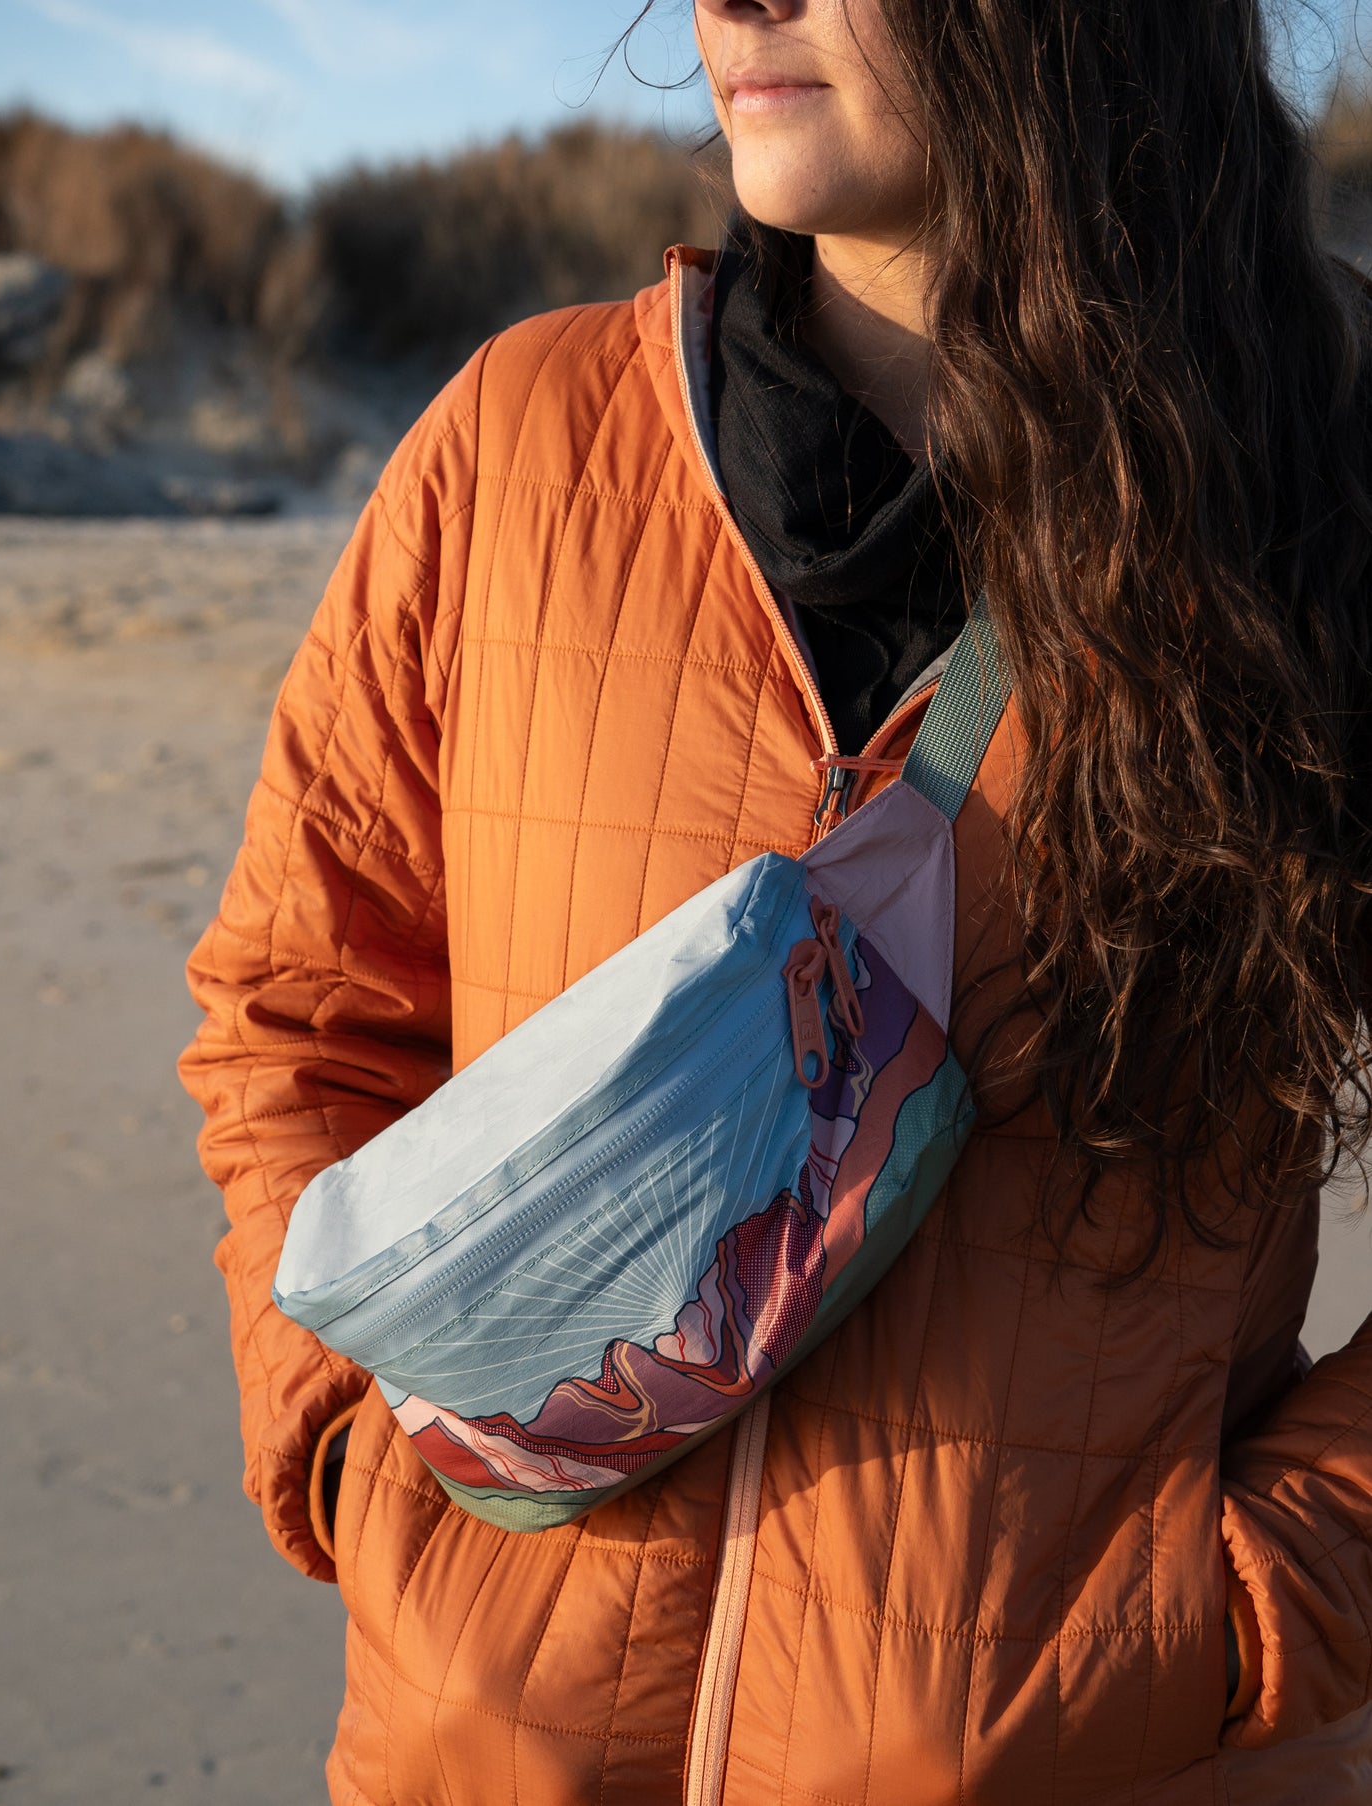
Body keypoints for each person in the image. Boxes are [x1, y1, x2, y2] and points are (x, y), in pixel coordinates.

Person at [178, 0, 1372, 1799]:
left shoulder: (1318, 488)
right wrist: (357, 1452)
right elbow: (293, 1009)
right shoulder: (520, 444)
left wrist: (1238, 1604)